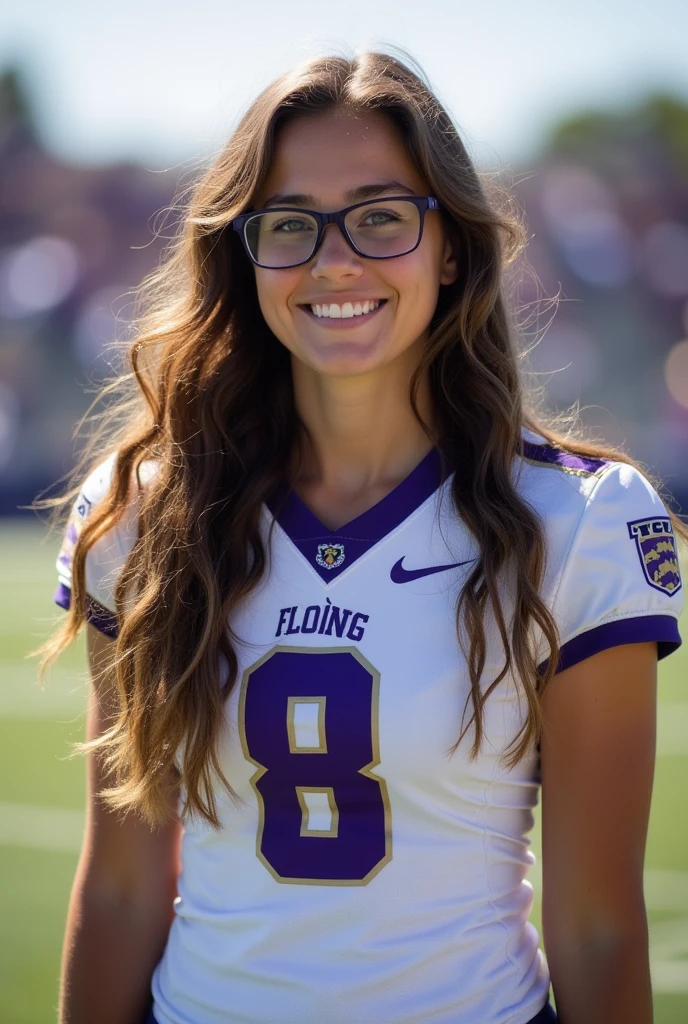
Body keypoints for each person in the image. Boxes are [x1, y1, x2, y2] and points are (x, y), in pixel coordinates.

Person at [39, 51, 684, 1024]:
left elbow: (595, 926)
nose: (334, 259)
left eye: (380, 215)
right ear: (244, 251)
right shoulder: (146, 514)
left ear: (451, 245)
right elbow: (124, 885)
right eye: (290, 224)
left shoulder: (581, 521)